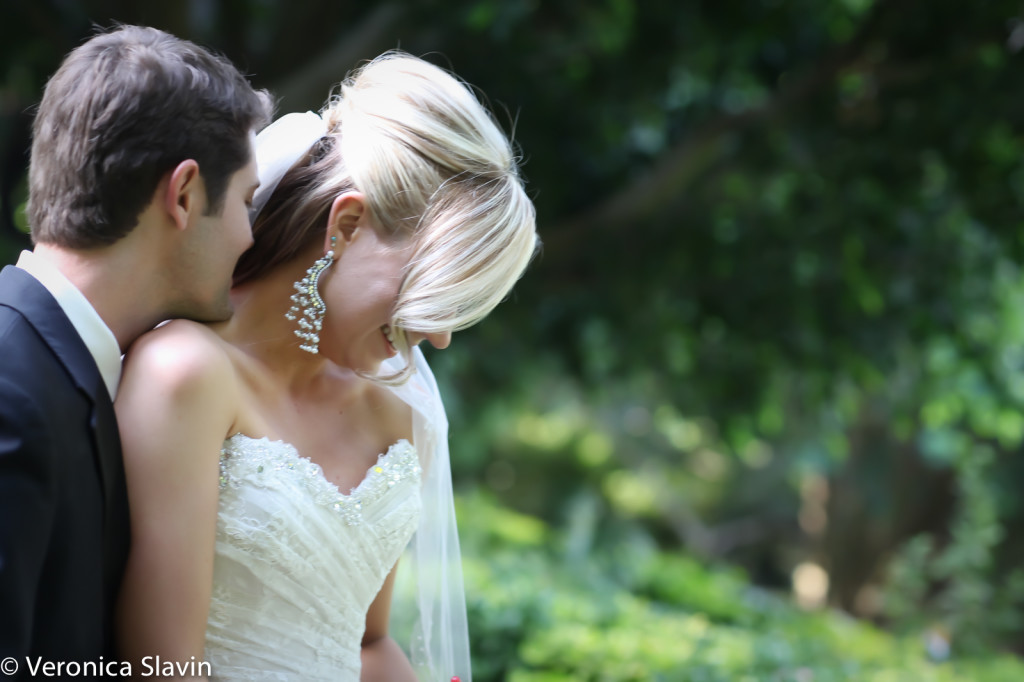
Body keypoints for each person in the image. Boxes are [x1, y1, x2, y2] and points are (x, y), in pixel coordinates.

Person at [114, 51, 537, 681]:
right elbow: (158, 666)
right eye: (433, 295)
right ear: (347, 225)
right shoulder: (187, 376)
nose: (441, 336)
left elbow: (367, 645)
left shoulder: (399, 416)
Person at [0, 24, 272, 670]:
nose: (249, 238)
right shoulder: (12, 392)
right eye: (246, 201)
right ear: (182, 195)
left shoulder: (67, 372)